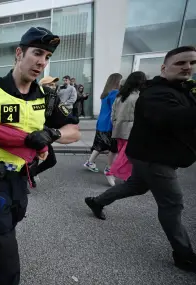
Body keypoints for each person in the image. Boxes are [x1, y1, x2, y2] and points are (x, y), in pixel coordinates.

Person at [0, 27, 81, 285]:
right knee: (4, 239)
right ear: (19, 53)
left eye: (47, 56)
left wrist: (52, 134)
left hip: (21, 177)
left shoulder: (47, 97)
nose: (42, 62)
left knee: (10, 222)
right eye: (37, 53)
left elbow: (74, 131)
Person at [85, 46, 196, 273]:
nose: (188, 67)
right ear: (164, 67)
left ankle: (97, 201)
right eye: (181, 63)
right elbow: (173, 118)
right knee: (172, 204)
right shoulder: (154, 93)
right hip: (155, 157)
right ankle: (184, 254)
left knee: (135, 186)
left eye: (192, 63)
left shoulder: (176, 90)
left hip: (146, 151)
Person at [83, 73, 123, 186]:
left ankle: (90, 162)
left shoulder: (105, 93)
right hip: (109, 123)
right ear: (117, 82)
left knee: (99, 144)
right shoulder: (115, 94)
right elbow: (116, 110)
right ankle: (109, 169)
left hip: (101, 122)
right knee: (113, 147)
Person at [106, 71, 146, 181]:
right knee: (126, 156)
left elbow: (113, 112)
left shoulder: (121, 95)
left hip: (118, 128)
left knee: (123, 154)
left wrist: (115, 123)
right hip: (131, 129)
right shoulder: (138, 96)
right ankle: (111, 172)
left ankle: (126, 176)